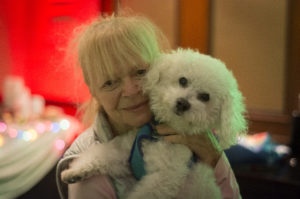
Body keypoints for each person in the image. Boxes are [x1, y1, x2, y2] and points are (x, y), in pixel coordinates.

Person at [56, 13, 241, 199]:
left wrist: (215, 160)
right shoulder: (89, 178)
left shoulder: (200, 139)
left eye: (140, 72)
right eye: (110, 82)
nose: (131, 90)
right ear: (93, 90)